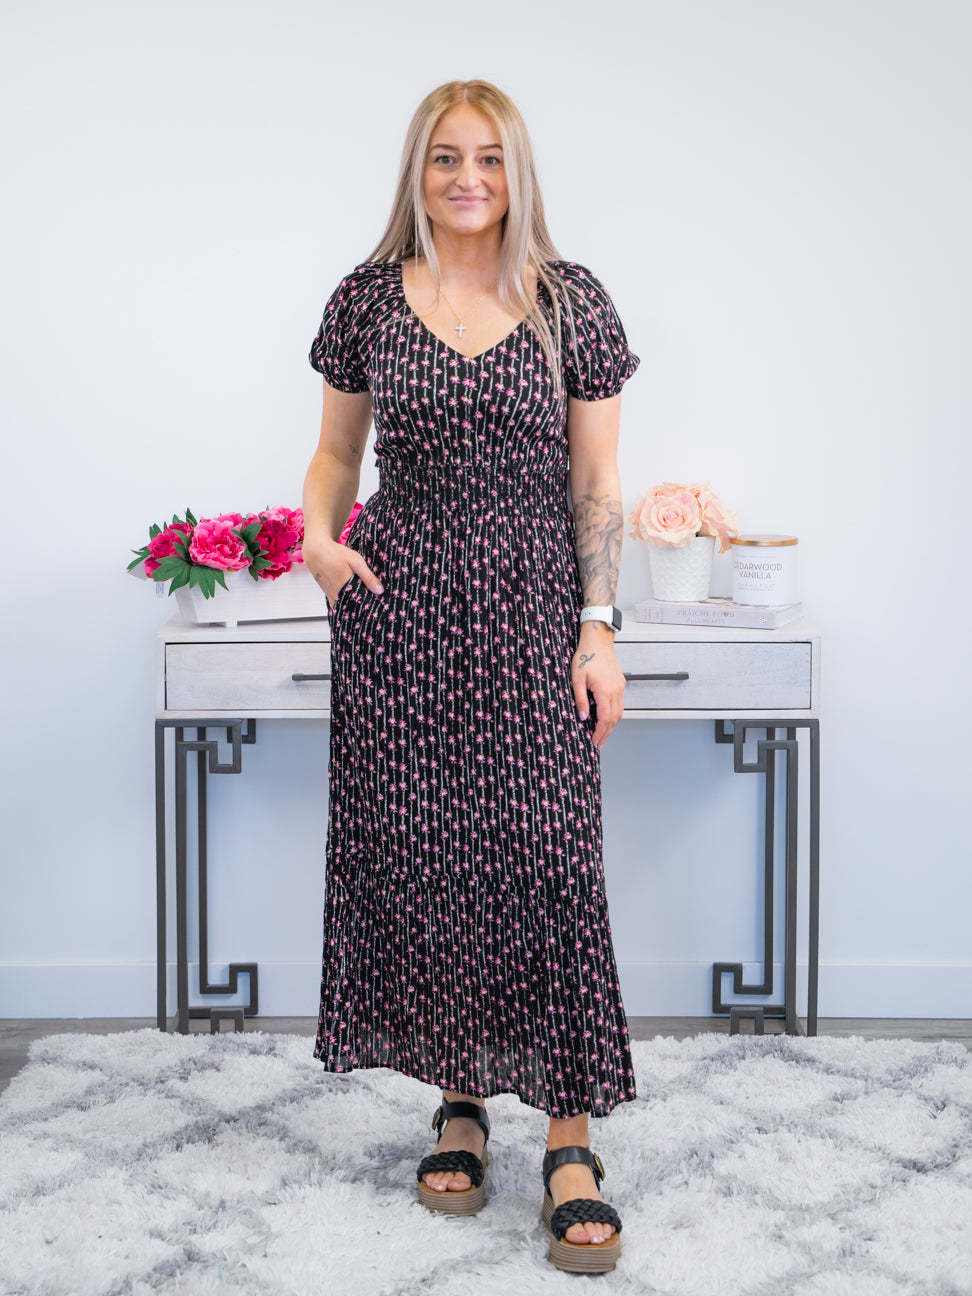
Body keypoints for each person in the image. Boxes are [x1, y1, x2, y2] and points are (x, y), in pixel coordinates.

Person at [301, 78, 640, 1274]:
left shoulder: (570, 302)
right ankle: (459, 1103)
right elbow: (336, 452)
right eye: (446, 157)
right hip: (403, 612)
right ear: (419, 170)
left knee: (552, 859)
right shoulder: (366, 301)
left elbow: (596, 485)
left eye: (488, 158)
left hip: (535, 609)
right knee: (435, 856)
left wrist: (598, 629)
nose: (467, 179)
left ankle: (570, 1139)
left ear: (516, 172)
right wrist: (320, 541)